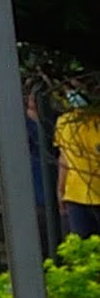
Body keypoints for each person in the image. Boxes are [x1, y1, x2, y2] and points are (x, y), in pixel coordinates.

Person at [56, 84, 98, 254]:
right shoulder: (65, 122)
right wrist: (60, 189)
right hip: (76, 196)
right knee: (82, 252)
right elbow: (64, 157)